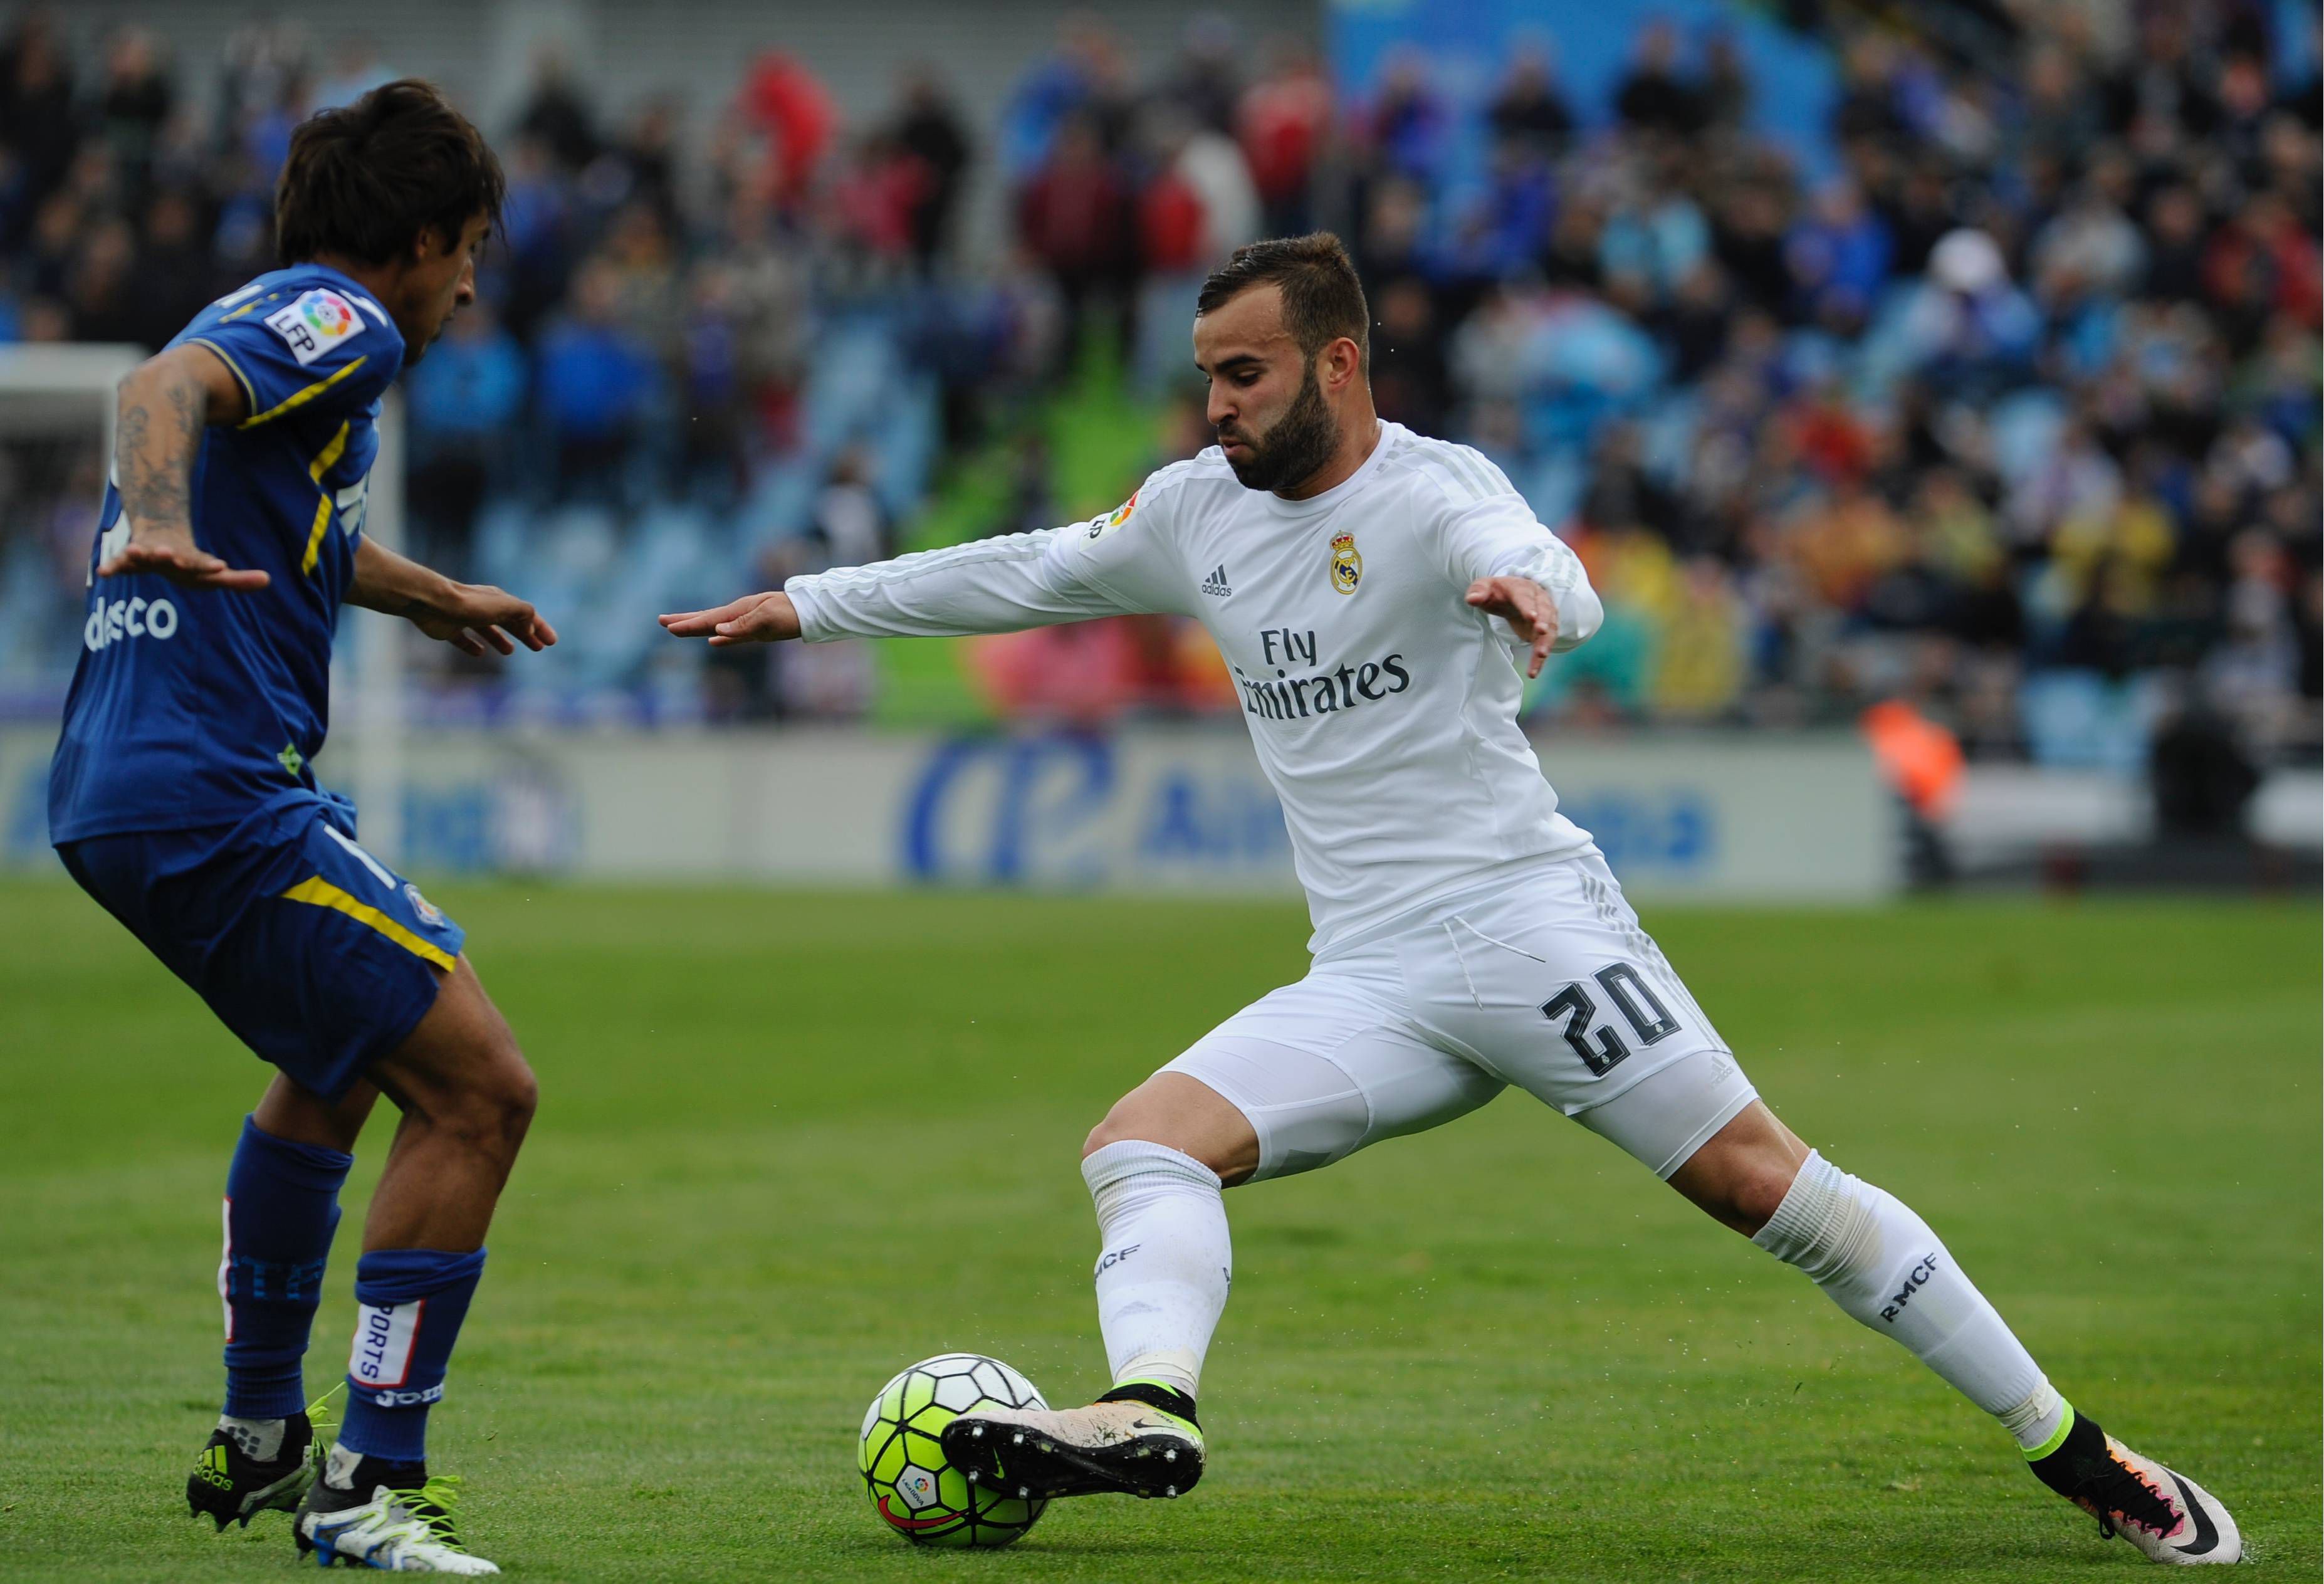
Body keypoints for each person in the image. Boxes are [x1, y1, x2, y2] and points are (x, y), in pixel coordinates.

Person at [661, 234, 2242, 1567]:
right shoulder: (1196, 511)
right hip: (1370, 977)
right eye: (1208, 375)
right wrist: (806, 605)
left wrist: (1535, 593)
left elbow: (1547, 560)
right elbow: (1022, 569)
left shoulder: (1434, 495)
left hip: (1530, 930)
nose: (1217, 405)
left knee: (1773, 1191)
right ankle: (1149, 1404)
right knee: (1142, 1143)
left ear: (1339, 365)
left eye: (1245, 374)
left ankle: (2081, 1453)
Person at [48, 81, 552, 1575]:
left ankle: (262, 1430)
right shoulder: (350, 320)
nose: (470, 286)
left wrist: (434, 594)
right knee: (481, 1093)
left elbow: (294, 516)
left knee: (336, 1069)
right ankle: (367, 1482)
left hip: (122, 787)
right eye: (469, 250)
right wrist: (153, 518)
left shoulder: (276, 321)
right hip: (215, 790)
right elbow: (153, 396)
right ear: (419, 239)